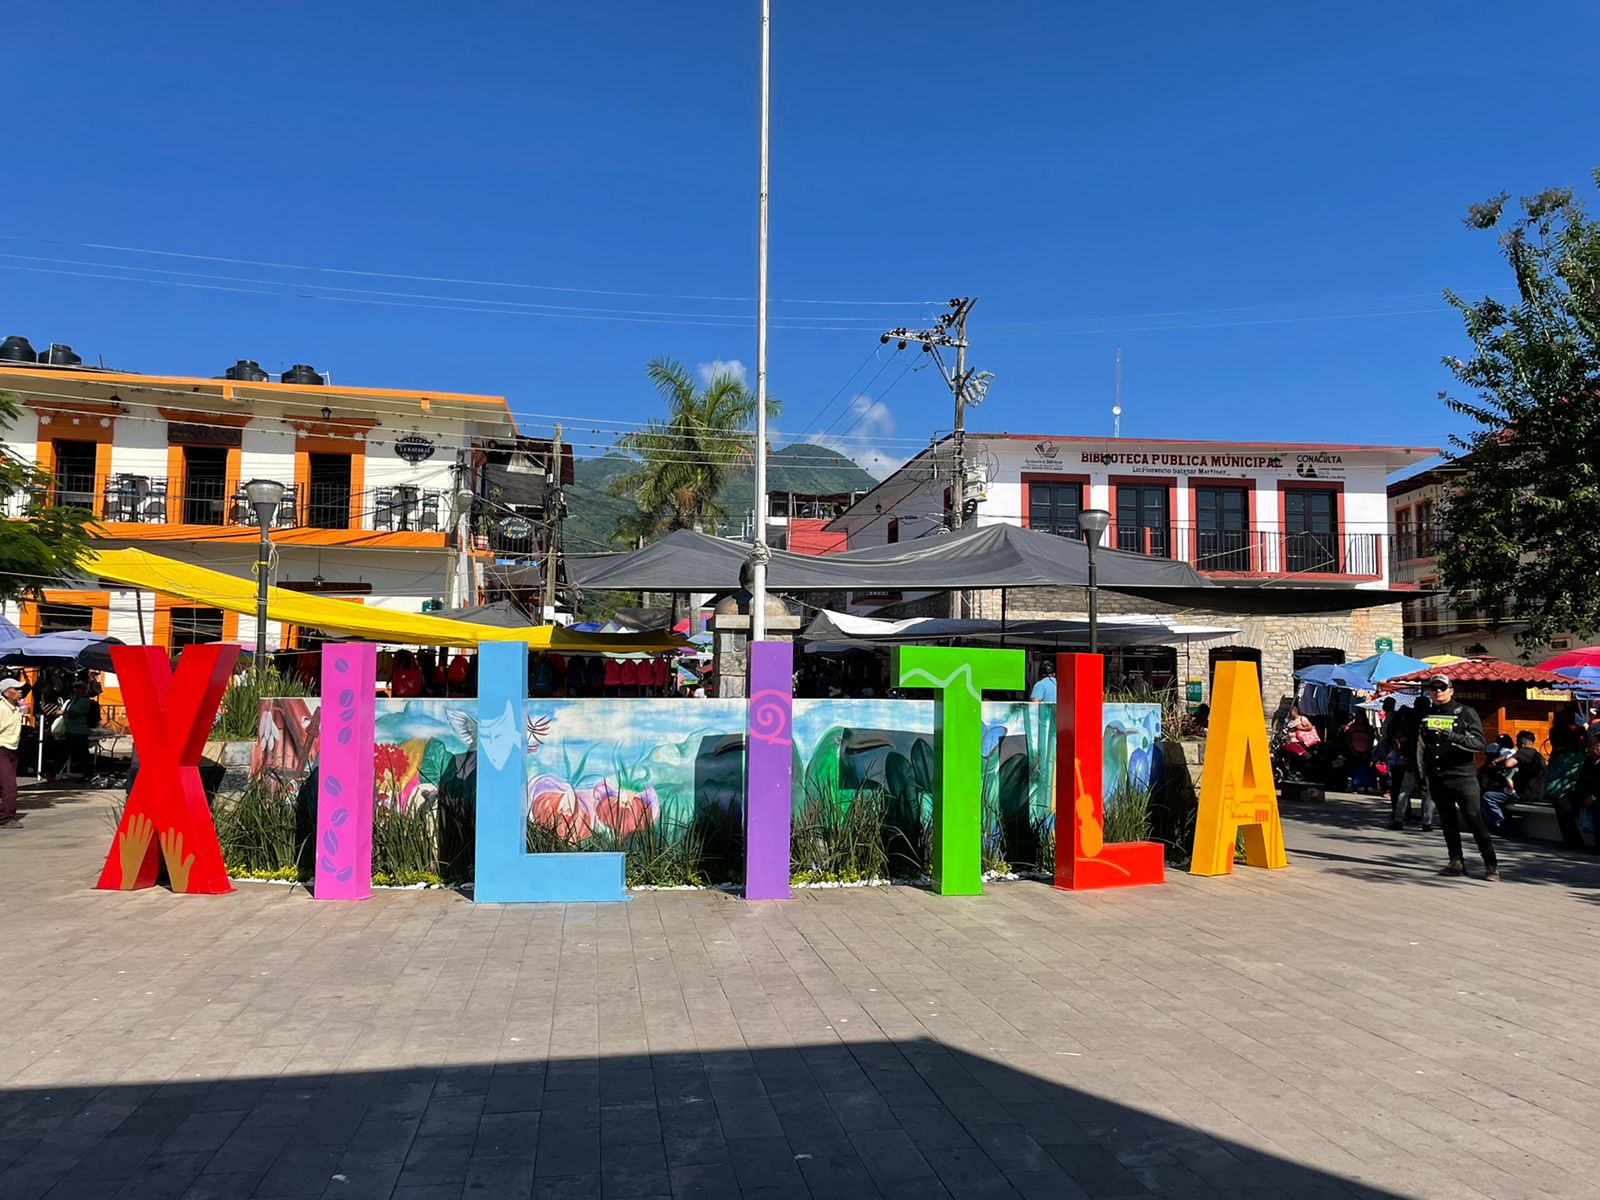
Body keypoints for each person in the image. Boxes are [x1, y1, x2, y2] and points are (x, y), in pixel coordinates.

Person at [1419, 675, 1499, 880]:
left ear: (1451, 690)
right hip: (1438, 777)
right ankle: (1455, 861)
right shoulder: (1427, 714)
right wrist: (1424, 774)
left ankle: (1491, 865)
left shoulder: (1465, 713)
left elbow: (1480, 743)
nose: (1438, 692)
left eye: (1442, 688)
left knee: (1474, 819)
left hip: (1463, 777)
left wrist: (1452, 737)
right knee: (1447, 821)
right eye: (1434, 688)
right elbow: (1421, 746)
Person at [1478, 734, 1518, 832]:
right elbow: (1483, 783)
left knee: (1488, 796)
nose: (1490, 758)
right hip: (1498, 791)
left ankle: (1501, 824)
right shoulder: (1486, 768)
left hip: (1510, 792)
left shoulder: (1511, 761)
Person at [61, 683, 99, 781]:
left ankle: (88, 774)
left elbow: (74, 714)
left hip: (79, 731)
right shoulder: (74, 700)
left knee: (82, 754)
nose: (75, 690)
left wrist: (63, 713)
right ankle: (83, 773)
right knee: (73, 753)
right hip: (71, 730)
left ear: (84, 689)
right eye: (74, 688)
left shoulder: (83, 701)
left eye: (78, 688)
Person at [0, 678, 25, 827]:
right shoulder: (2, 708)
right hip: (2, 748)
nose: (20, 691)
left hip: (11, 749)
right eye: (15, 689)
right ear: (6, 692)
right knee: (10, 786)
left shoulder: (15, 707)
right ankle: (6, 818)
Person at [1573, 732, 1600, 854]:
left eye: (1591, 744)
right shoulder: (1588, 761)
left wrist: (1594, 796)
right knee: (1563, 804)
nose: (1588, 747)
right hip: (1585, 795)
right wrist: (1583, 796)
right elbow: (1581, 781)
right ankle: (1574, 842)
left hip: (1597, 796)